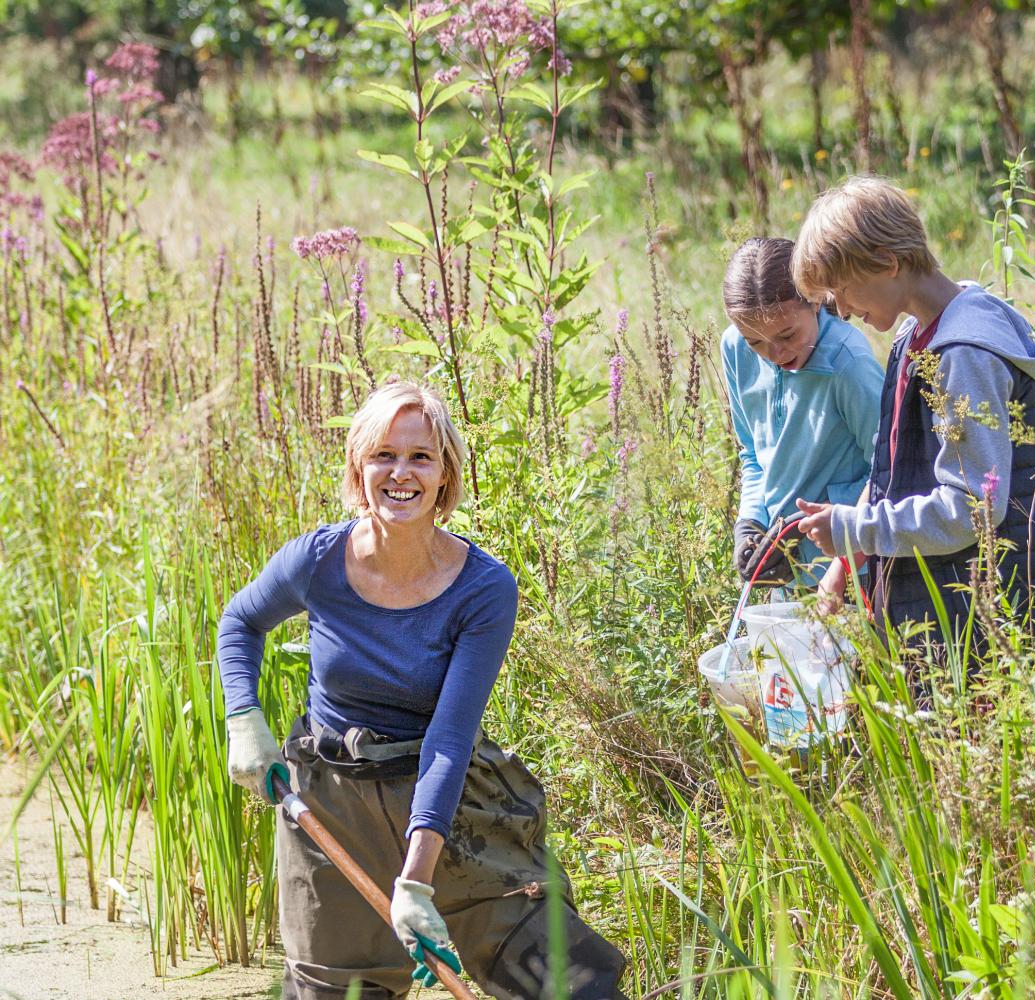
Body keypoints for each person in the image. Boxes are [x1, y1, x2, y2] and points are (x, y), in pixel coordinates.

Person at [217, 380, 627, 1000]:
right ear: (360, 468)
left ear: (445, 475)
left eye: (420, 456)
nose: (400, 472)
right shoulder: (317, 561)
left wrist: (416, 880)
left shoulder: (483, 589)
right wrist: (244, 719)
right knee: (338, 990)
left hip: (451, 801)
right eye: (383, 454)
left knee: (564, 981)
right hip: (332, 800)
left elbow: (450, 737)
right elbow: (240, 622)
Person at [790, 177, 1035, 673]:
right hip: (932, 607)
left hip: (979, 616)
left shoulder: (963, 355)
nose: (841, 310)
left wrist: (855, 528)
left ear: (888, 263)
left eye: (843, 291)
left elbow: (972, 508)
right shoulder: (913, 337)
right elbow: (887, 470)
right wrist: (843, 565)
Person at [721, 236, 884, 590]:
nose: (775, 352)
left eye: (787, 334)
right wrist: (751, 522)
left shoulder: (847, 364)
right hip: (788, 572)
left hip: (854, 572)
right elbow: (752, 453)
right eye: (756, 342)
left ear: (812, 301)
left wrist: (803, 526)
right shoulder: (734, 349)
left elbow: (891, 469)